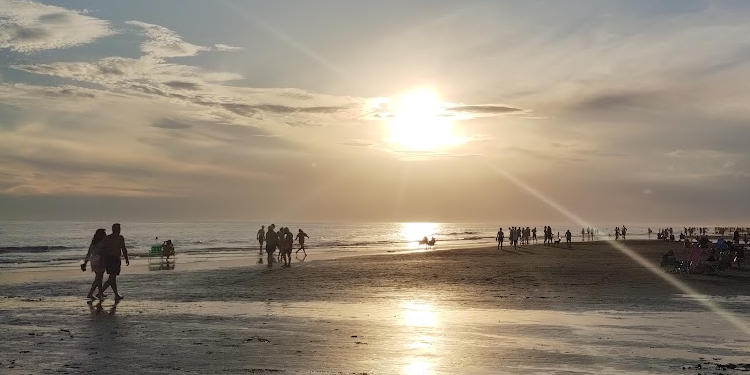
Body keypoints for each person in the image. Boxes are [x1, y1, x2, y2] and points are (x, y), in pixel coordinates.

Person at [100, 223, 129, 301]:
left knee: (112, 278)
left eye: (119, 228)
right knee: (112, 278)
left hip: (112, 259)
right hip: (112, 259)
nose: (119, 230)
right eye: (118, 229)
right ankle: (100, 292)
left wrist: (126, 258)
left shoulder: (111, 238)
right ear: (115, 229)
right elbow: (123, 249)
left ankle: (116, 295)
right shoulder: (117, 238)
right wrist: (126, 258)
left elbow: (123, 249)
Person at [82, 228, 107, 300]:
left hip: (93, 260)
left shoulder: (93, 242)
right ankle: (90, 294)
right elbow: (104, 252)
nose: (105, 234)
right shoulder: (103, 242)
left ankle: (100, 293)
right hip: (100, 260)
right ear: (102, 235)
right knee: (98, 278)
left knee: (99, 278)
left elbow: (89, 253)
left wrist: (85, 263)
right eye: (104, 233)